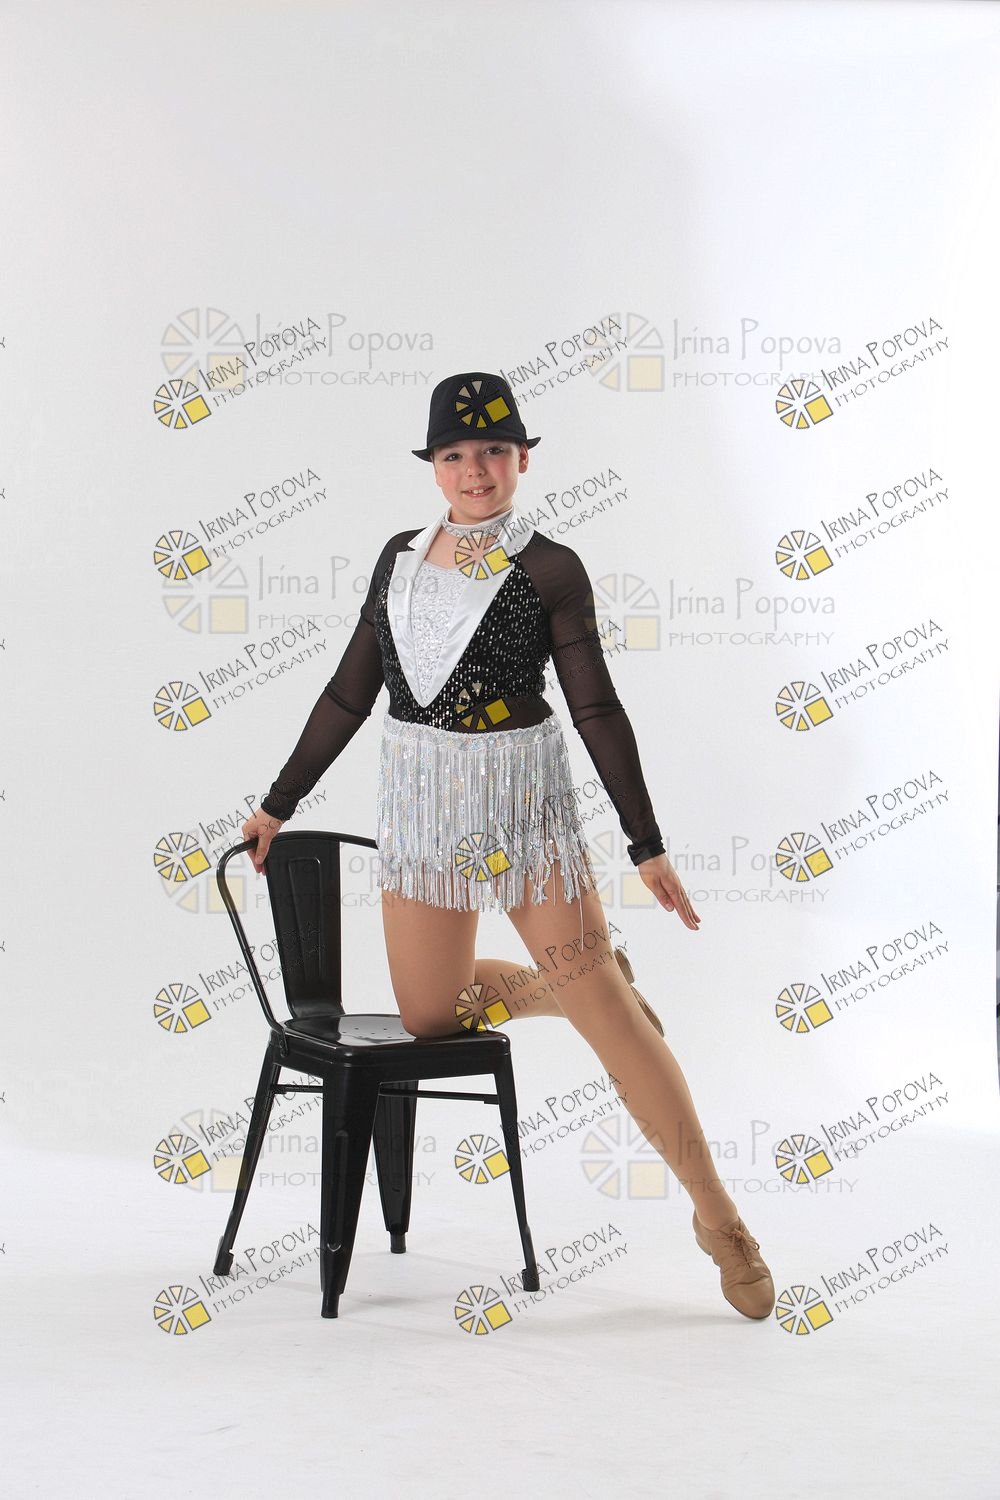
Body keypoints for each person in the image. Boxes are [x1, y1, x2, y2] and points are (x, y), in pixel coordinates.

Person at [241, 371, 775, 1320]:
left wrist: (646, 843)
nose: (475, 470)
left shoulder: (550, 568)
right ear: (434, 467)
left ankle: (720, 1217)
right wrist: (278, 803)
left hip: (522, 804)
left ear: (523, 458)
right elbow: (350, 691)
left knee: (610, 1018)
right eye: (456, 454)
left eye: (494, 451)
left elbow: (596, 707)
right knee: (429, 1018)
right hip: (423, 807)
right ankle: (554, 988)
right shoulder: (399, 558)